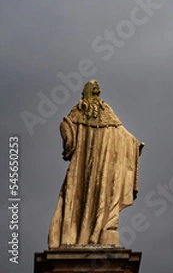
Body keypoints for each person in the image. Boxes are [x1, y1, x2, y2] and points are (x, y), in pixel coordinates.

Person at [48, 80, 144, 247]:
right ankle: (74, 235)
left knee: (100, 194)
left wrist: (134, 144)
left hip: (101, 165)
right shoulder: (78, 110)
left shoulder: (106, 111)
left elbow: (121, 132)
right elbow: (66, 126)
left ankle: (96, 232)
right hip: (81, 166)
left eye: (97, 92)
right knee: (77, 195)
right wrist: (68, 137)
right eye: (93, 90)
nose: (96, 94)